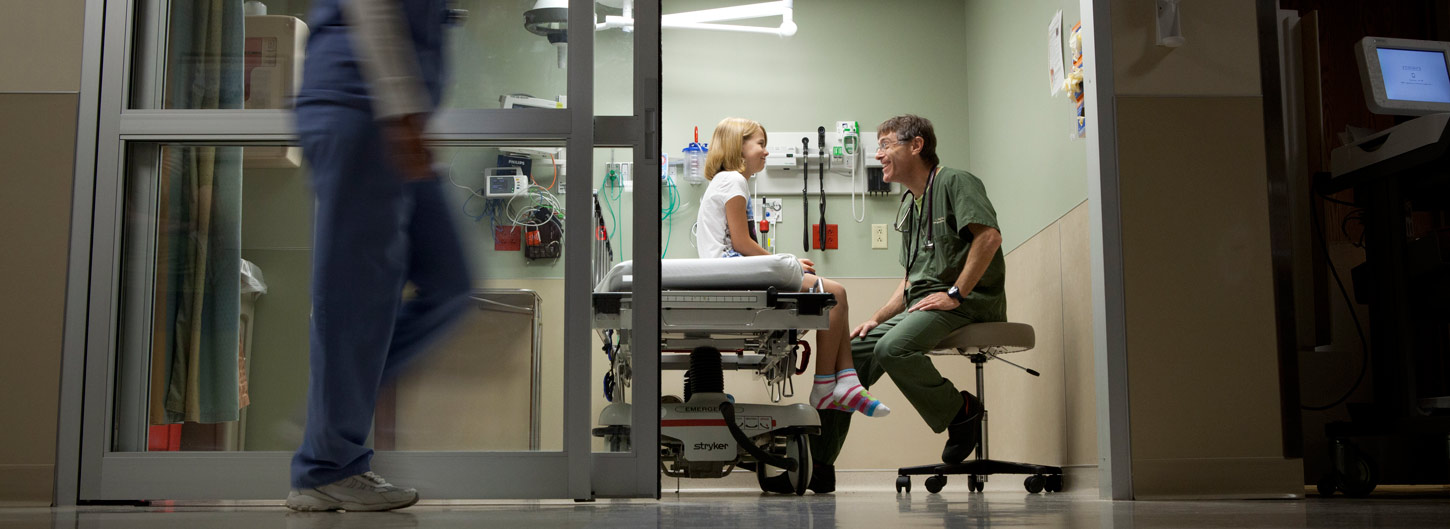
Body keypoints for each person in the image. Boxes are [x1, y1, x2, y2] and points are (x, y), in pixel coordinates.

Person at [286, 0, 471, 512]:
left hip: (390, 112)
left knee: (451, 282)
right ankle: (328, 466)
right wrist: (402, 117)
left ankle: (331, 414)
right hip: (363, 105)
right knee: (355, 295)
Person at [811, 114, 1006, 483]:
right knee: (848, 359)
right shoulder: (910, 204)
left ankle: (960, 410)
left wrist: (956, 293)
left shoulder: (955, 182)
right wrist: (877, 318)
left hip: (969, 303)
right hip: (925, 305)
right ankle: (819, 465)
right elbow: (909, 281)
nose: (878, 154)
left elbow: (989, 238)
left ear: (916, 145)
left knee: (891, 349)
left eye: (885, 145)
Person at [695, 117, 891, 420]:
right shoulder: (733, 180)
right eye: (760, 144)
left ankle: (844, 381)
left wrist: (783, 265)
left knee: (835, 293)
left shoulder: (726, 181)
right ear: (738, 146)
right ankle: (829, 385)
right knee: (833, 293)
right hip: (732, 273)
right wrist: (785, 264)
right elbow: (742, 243)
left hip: (733, 272)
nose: (765, 152)